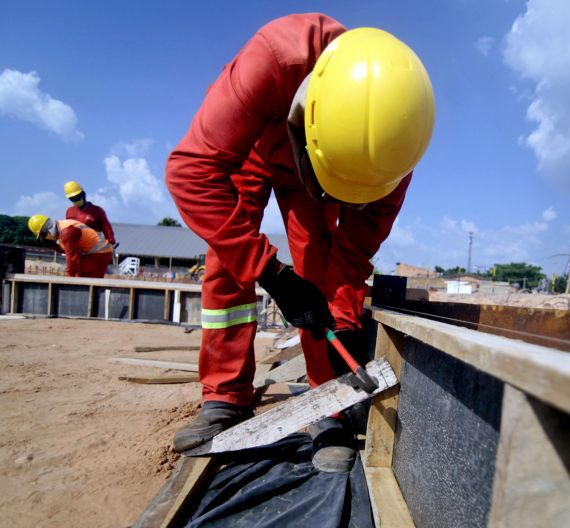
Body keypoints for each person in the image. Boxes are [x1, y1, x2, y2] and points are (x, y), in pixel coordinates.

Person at [165, 13, 434, 471]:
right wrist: (271, 274)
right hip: (252, 147)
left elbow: (350, 253)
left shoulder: (393, 148)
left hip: (312, 169)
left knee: (318, 263)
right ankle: (225, 395)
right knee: (230, 257)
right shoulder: (271, 60)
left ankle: (326, 403)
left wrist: (343, 320)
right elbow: (190, 173)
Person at [27, 215, 114, 278]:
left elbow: (71, 256)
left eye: (43, 235)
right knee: (81, 277)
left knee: (84, 278)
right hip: (95, 253)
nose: (45, 238)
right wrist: (51, 244)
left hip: (100, 253)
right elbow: (66, 250)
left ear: (47, 231)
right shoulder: (61, 229)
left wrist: (68, 279)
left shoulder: (67, 232)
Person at [64, 180, 117, 245]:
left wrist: (111, 242)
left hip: (94, 247)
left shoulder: (97, 210)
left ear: (83, 194)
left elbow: (106, 227)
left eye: (77, 197)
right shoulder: (69, 212)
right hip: (76, 248)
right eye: (72, 198)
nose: (76, 200)